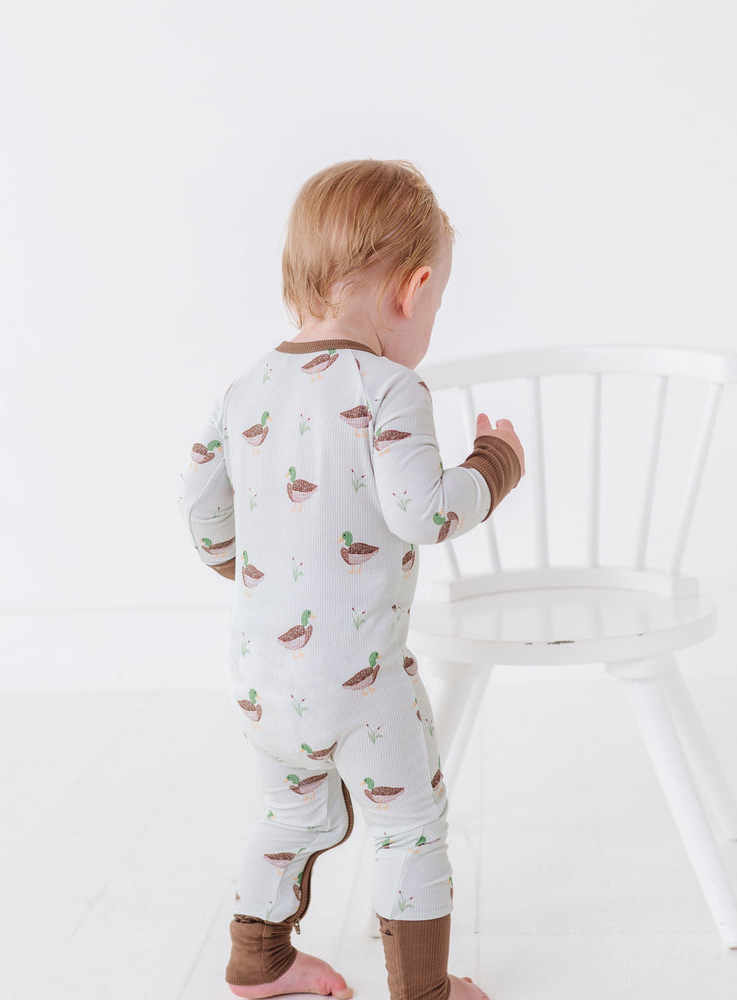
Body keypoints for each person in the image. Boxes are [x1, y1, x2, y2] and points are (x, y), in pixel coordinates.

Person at [179, 159, 524, 1000]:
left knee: (290, 813)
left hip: (263, 677)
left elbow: (198, 505)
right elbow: (423, 512)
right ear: (410, 292)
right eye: (434, 304)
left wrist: (246, 564)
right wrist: (496, 462)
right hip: (362, 683)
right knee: (409, 827)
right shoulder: (389, 388)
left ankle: (258, 958)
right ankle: (425, 992)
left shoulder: (245, 387)